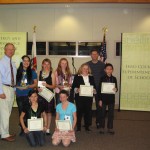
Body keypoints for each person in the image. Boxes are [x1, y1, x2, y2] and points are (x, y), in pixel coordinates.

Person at [16, 55, 38, 136]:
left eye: (28, 61)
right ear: (22, 62)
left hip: (28, 96)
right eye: (24, 61)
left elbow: (35, 84)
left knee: (29, 113)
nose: (26, 62)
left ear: (29, 62)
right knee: (21, 112)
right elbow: (14, 83)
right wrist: (17, 89)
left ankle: (30, 128)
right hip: (19, 95)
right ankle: (23, 128)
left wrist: (28, 86)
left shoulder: (32, 72)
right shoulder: (17, 71)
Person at [72, 63, 96, 132]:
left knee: (88, 112)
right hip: (79, 98)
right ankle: (78, 127)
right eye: (84, 68)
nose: (85, 70)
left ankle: (87, 126)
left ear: (89, 70)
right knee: (79, 112)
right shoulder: (77, 76)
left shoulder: (91, 77)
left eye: (87, 68)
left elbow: (94, 86)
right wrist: (77, 89)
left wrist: (94, 90)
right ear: (81, 69)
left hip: (88, 98)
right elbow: (73, 86)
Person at [0, 43, 17, 142]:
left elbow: (13, 77)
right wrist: (0, 92)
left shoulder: (12, 62)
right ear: (5, 50)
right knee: (5, 112)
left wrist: (14, 90)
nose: (11, 51)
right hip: (4, 88)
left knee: (8, 112)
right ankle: (5, 134)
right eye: (9, 49)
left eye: (12, 49)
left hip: (10, 89)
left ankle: (3, 131)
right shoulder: (2, 62)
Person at [87, 49, 105, 128]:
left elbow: (104, 77)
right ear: (90, 55)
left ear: (98, 55)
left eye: (95, 54)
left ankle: (98, 122)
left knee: (99, 107)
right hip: (88, 89)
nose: (94, 55)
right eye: (92, 54)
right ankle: (88, 122)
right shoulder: (87, 64)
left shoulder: (102, 64)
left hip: (99, 89)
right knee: (88, 106)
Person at [98, 63, 118, 135]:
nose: (109, 70)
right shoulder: (102, 78)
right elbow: (99, 89)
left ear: (112, 70)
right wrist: (100, 99)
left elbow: (116, 89)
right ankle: (102, 127)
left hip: (111, 99)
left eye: (110, 69)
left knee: (111, 114)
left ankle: (110, 128)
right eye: (107, 69)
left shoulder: (114, 78)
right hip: (103, 99)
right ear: (105, 70)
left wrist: (115, 89)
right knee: (102, 114)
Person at [38, 58, 56, 135]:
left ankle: (48, 128)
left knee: (49, 113)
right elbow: (36, 85)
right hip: (40, 95)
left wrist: (47, 85)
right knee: (41, 112)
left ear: (50, 65)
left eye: (48, 64)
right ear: (42, 65)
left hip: (49, 96)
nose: (46, 66)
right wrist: (37, 88)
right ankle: (42, 127)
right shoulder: (39, 72)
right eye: (45, 64)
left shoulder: (52, 73)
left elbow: (54, 86)